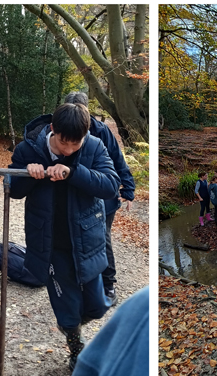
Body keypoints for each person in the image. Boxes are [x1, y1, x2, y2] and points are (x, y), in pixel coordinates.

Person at [8, 102, 119, 371]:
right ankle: (75, 349)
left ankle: (73, 324)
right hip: (50, 243)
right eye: (63, 143)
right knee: (67, 307)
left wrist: (74, 172)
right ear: (53, 129)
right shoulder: (29, 149)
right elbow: (12, 188)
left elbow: (110, 184)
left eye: (75, 145)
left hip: (87, 240)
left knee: (96, 306)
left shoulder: (93, 147)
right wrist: (29, 175)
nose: (68, 150)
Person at [63, 92, 135, 305]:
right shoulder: (60, 127)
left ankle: (108, 284)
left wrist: (128, 189)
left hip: (103, 197)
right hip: (75, 197)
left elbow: (117, 159)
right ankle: (80, 280)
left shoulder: (101, 131)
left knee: (101, 237)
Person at [69, 285, 149, 376]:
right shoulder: (145, 307)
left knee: (98, 307)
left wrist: (108, 281)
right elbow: (86, 375)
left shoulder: (144, 305)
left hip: (94, 273)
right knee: (69, 320)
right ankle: (75, 345)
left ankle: (108, 286)